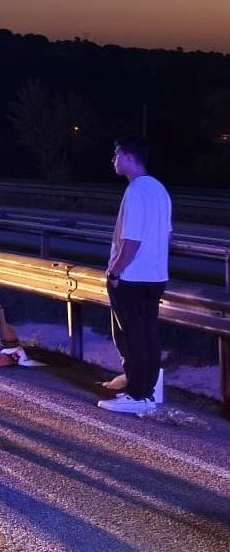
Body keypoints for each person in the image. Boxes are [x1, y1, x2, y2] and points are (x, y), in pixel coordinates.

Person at [98, 136, 172, 414]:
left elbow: (131, 241)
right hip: (155, 276)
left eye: (116, 155)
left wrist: (115, 271)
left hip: (131, 278)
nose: (113, 161)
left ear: (128, 157)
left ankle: (137, 395)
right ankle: (146, 389)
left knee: (131, 337)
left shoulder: (137, 191)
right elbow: (168, 234)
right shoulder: (159, 189)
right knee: (147, 335)